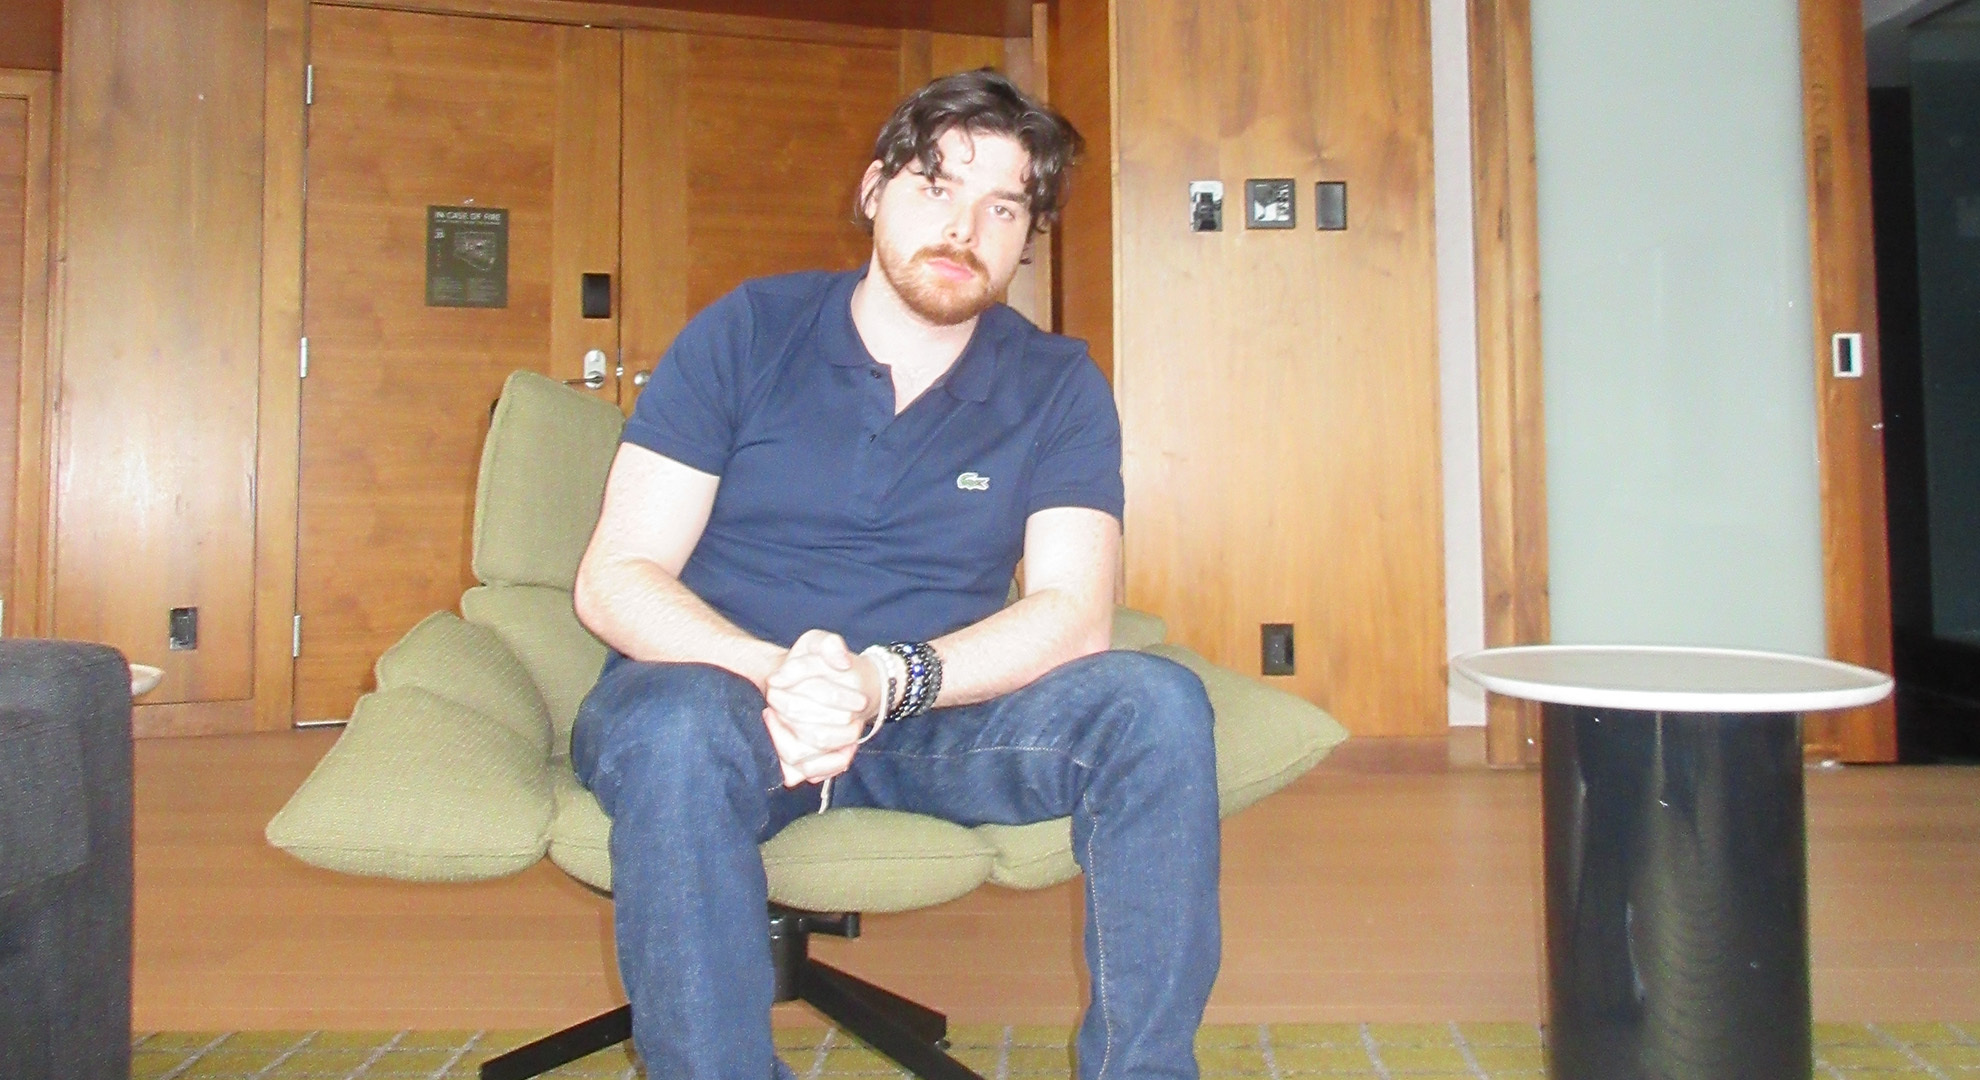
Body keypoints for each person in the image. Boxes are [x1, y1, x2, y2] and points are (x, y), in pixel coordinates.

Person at [568, 68, 1221, 1080]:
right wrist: (774, 673)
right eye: (936, 185)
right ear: (874, 190)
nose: (966, 227)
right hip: (721, 704)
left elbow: (1072, 614)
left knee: (1158, 703)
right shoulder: (747, 331)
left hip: (929, 714)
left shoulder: (1057, 386)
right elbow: (616, 577)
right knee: (675, 723)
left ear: (1026, 233)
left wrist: (882, 682)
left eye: (1002, 206)